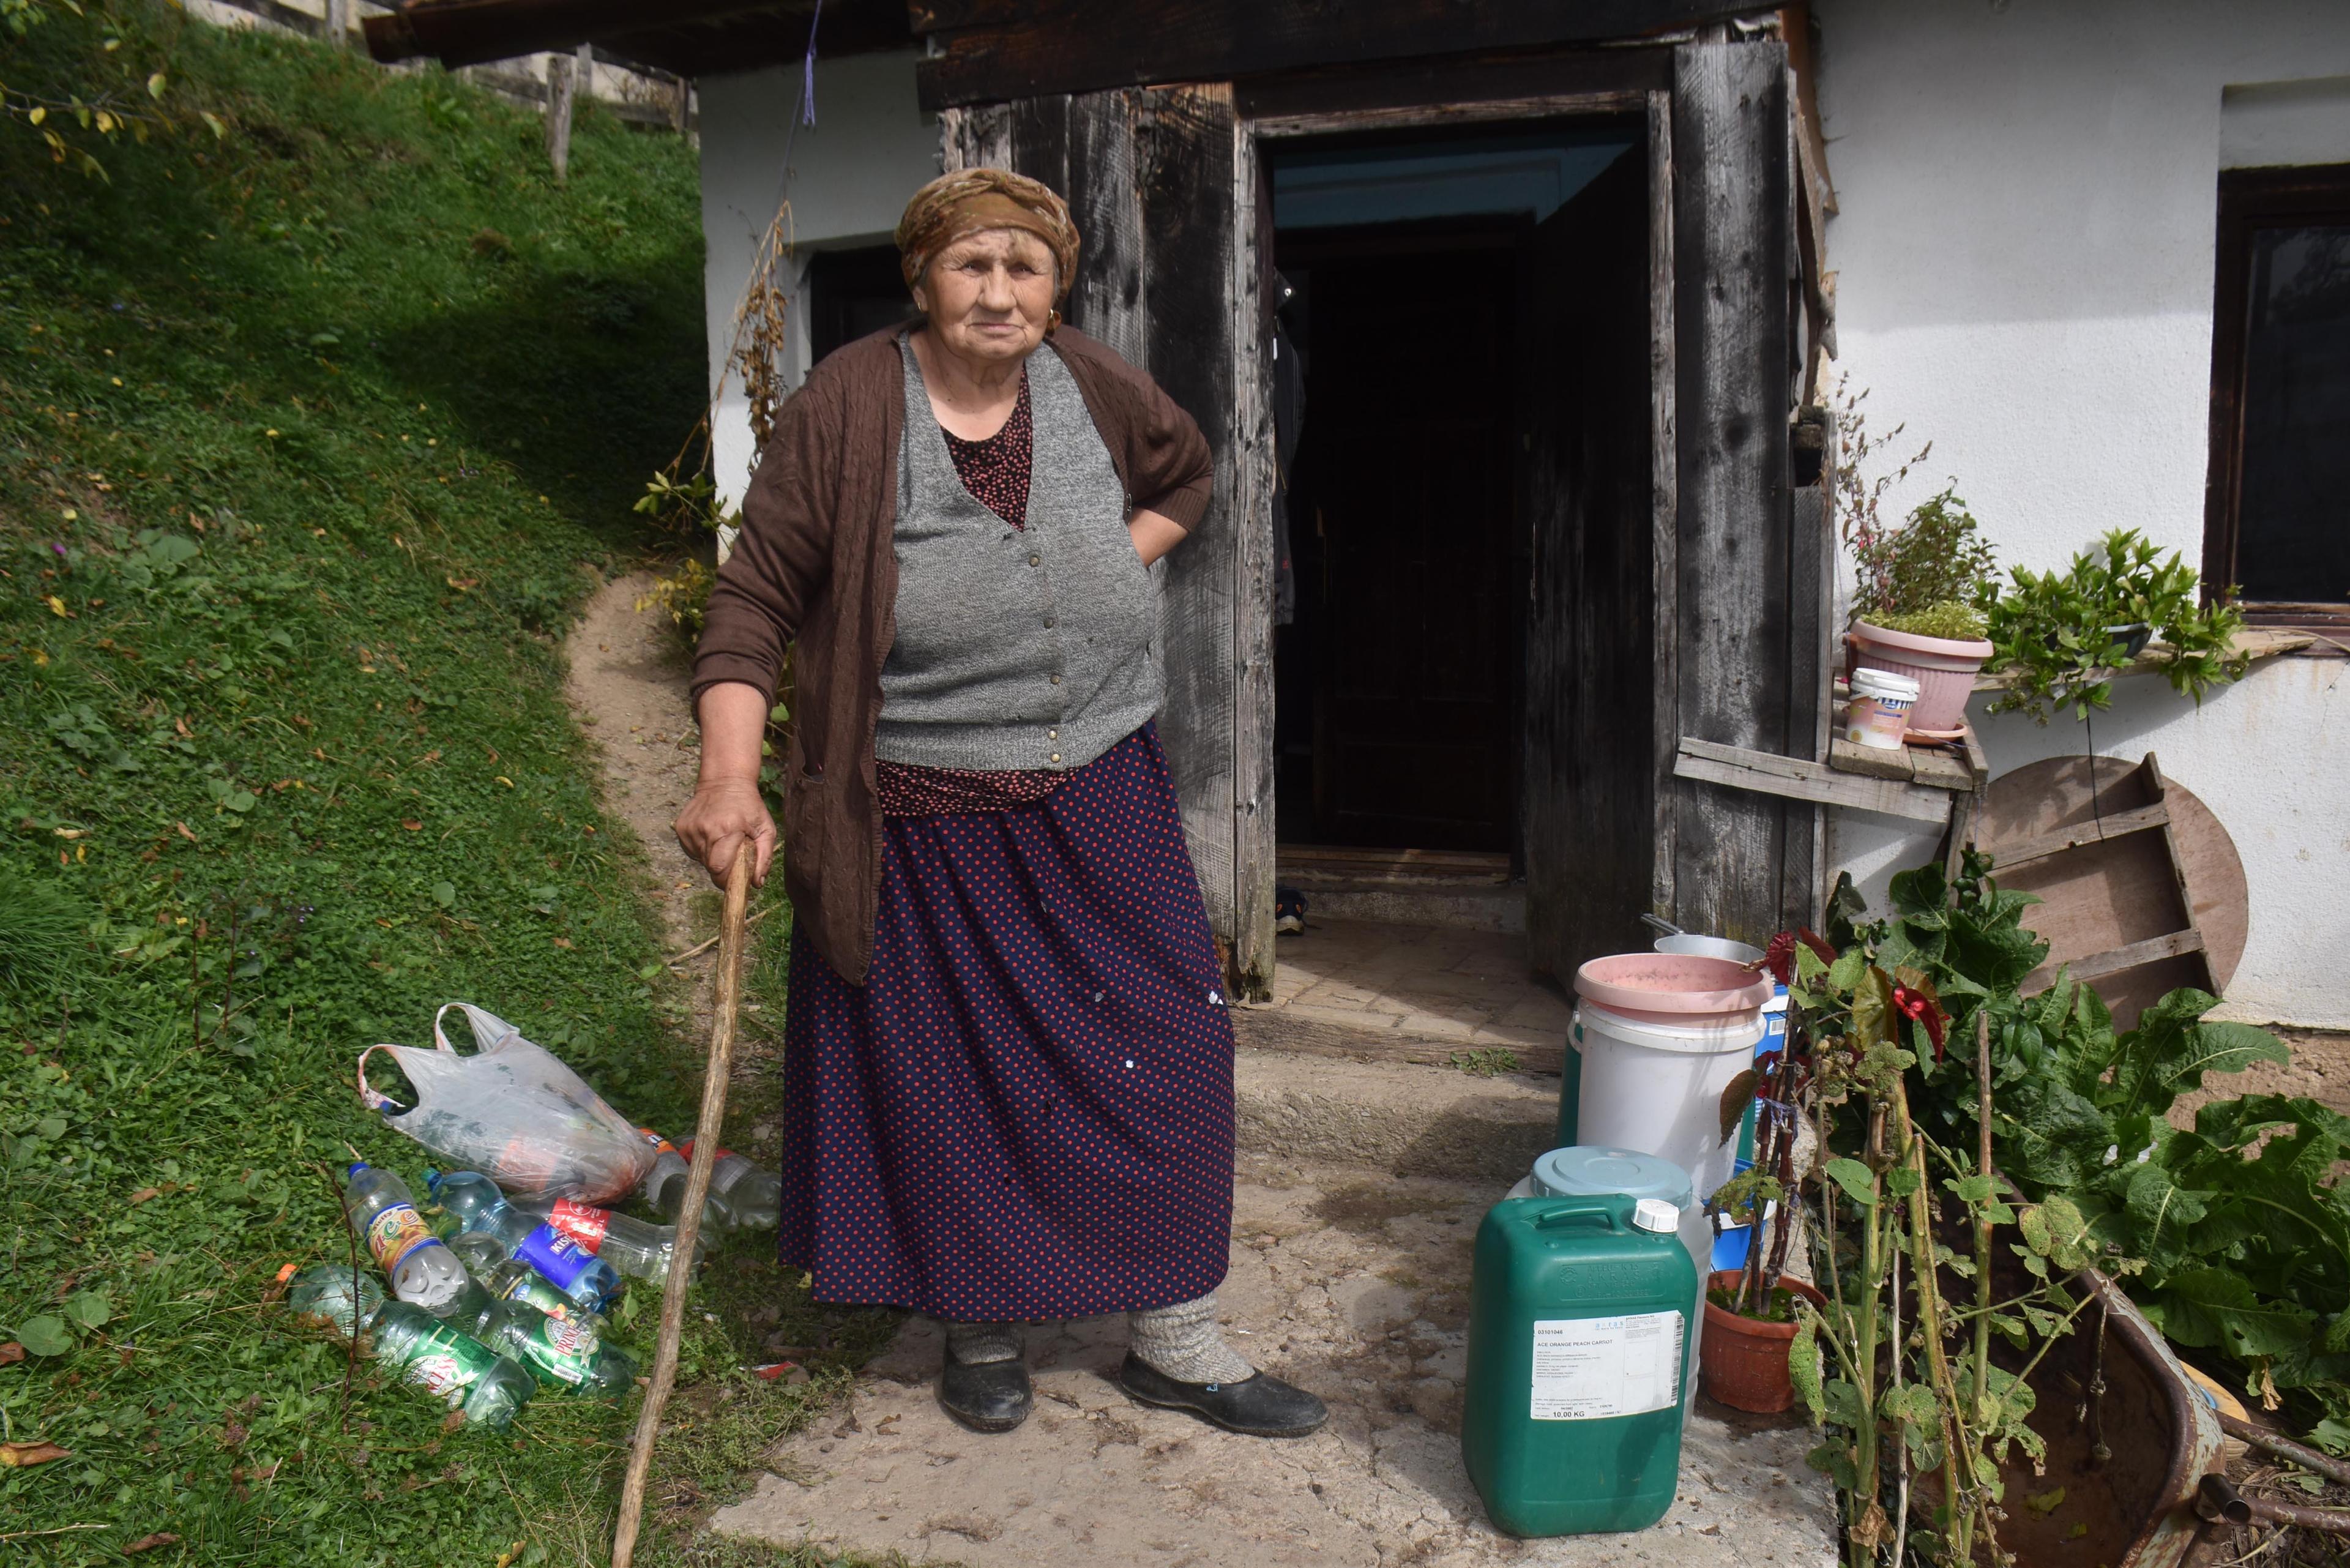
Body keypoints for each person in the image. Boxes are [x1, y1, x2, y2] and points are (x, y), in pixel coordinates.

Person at [676, 168, 1327, 1440]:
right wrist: (728, 773)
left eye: (1024, 269)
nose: (999, 292)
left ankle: (1175, 1337)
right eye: (972, 266)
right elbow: (753, 605)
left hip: (1103, 784)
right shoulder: (848, 409)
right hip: (922, 810)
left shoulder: (1088, 382)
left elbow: (1185, 471)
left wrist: (1110, 559)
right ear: (921, 278)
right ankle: (981, 1326)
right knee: (954, 1079)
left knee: (1173, 1051)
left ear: (1054, 286)